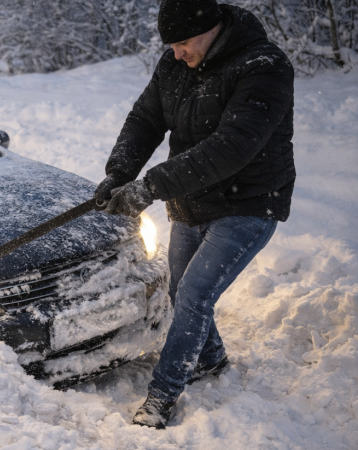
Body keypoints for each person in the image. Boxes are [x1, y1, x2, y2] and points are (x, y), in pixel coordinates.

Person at [95, 0, 294, 429]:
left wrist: (149, 187)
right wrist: (119, 173)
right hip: (191, 199)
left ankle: (162, 396)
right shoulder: (175, 66)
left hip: (250, 203)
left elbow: (232, 146)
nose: (177, 54)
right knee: (180, 290)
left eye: (184, 42)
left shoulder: (264, 66)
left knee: (194, 295)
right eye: (171, 45)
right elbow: (146, 118)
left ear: (214, 27)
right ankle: (213, 359)